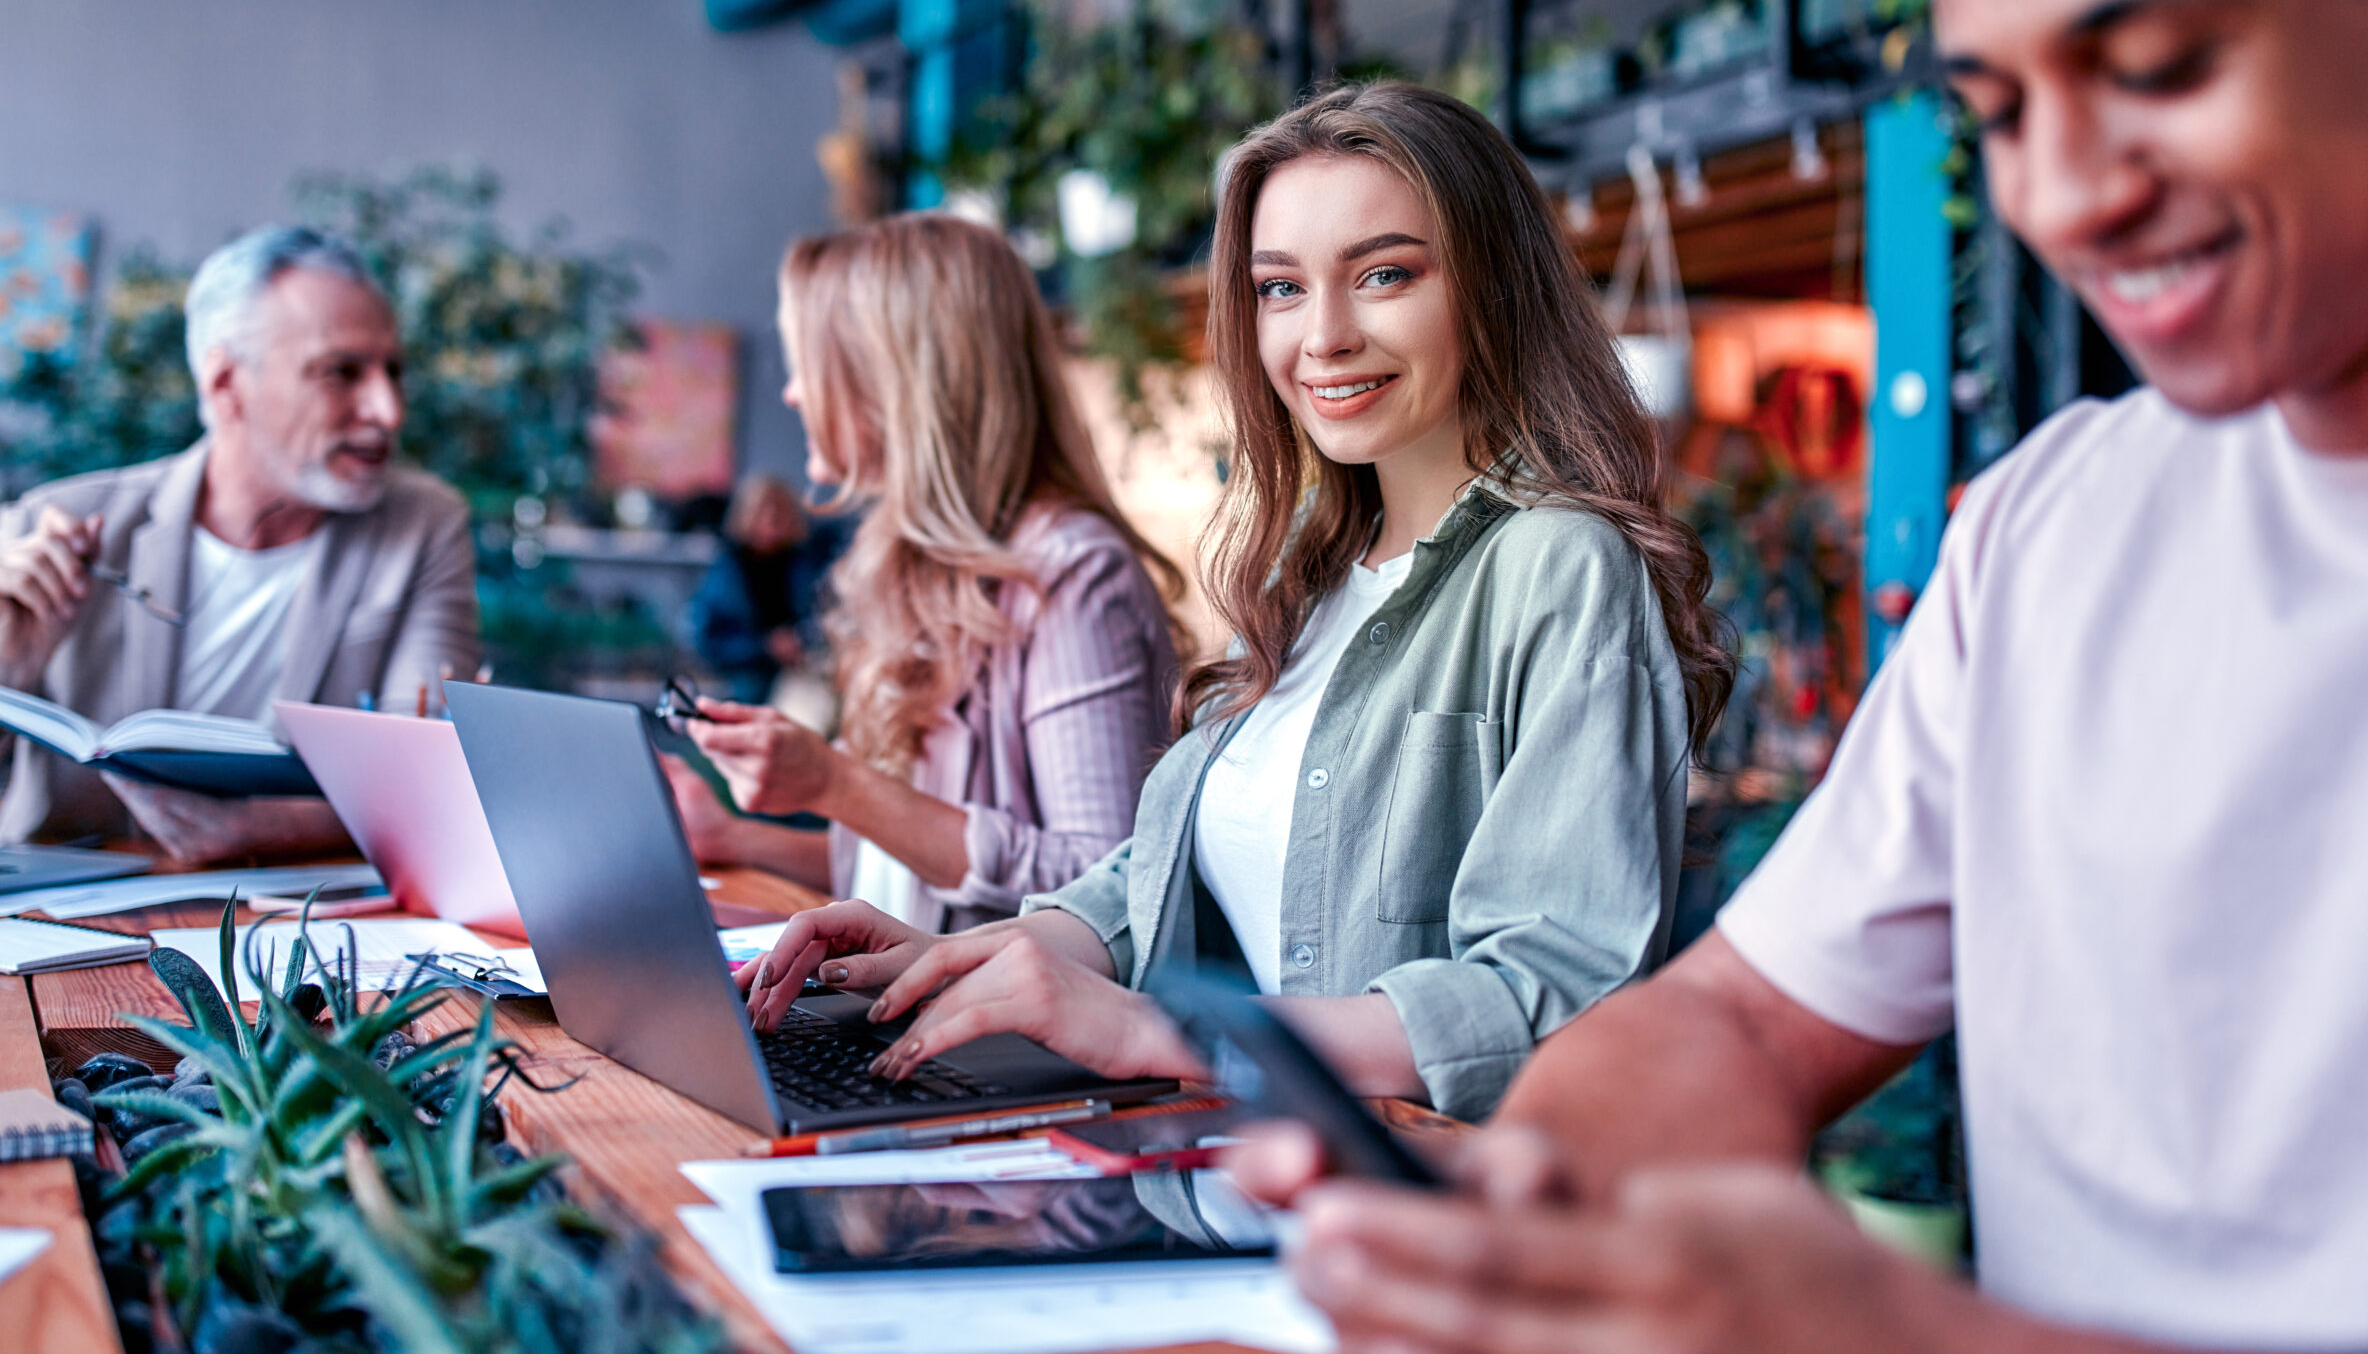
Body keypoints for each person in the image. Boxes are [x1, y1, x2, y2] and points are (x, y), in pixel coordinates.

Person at [1231, 0, 2368, 1349]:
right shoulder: (2053, 524)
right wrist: (1525, 1204)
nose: (2066, 192)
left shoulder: (1559, 567)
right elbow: (1744, 1023)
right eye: (1997, 111)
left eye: (2159, 65)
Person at [742, 83, 1735, 1120]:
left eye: (1384, 274)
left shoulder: (1559, 568)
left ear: (1492, 289)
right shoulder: (1302, 576)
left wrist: (1171, 1031)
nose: (1324, 337)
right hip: (1245, 1176)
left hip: (1417, 1224)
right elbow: (1157, 875)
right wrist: (964, 956)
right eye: (1280, 289)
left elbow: (1562, 992)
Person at [0, 226, 480, 864]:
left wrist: (271, 827)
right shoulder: (56, 524)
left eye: (393, 372)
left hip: (289, 926)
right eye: (342, 372)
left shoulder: (422, 527)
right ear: (226, 384)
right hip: (60, 926)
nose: (388, 410)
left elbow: (430, 794)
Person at [660, 215, 1184, 930]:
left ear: (891, 383)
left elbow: (1107, 888)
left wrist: (836, 781)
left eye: (810, 366)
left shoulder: (1071, 576)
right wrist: (730, 834)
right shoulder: (910, 572)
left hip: (994, 1043)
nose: (792, 394)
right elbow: (900, 871)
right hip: (894, 1014)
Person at [682, 473, 841, 707]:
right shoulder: (727, 572)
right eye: (764, 511)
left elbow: (827, 617)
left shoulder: (809, 563)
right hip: (748, 683)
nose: (772, 520)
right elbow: (705, 639)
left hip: (805, 677)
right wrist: (765, 647)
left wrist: (802, 642)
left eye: (780, 512)